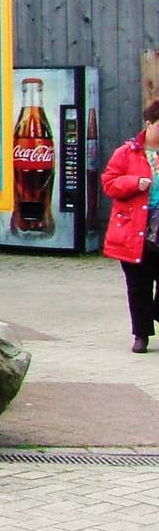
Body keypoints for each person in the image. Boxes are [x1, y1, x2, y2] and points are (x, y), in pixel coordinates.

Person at [101, 99, 159, 352]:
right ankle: (141, 335)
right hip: (133, 230)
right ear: (149, 124)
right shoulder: (126, 153)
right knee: (138, 286)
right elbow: (109, 183)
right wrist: (135, 182)